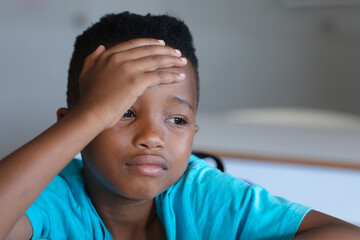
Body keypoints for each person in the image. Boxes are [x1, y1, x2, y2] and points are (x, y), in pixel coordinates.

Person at [0, 11, 359, 240]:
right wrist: (92, 113)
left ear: (193, 134)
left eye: (177, 120)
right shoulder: (53, 199)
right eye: (122, 112)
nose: (153, 137)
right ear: (73, 126)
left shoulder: (202, 196)